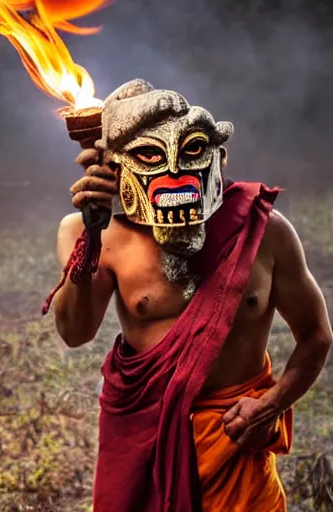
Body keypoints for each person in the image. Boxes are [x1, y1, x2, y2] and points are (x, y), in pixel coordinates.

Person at [47, 80, 332, 511]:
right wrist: (91, 231)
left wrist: (272, 405)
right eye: (150, 156)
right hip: (144, 438)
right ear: (115, 167)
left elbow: (316, 333)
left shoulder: (264, 231)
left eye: (193, 150)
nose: (175, 175)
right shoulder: (93, 233)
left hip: (234, 440)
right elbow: (74, 333)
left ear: (219, 157)